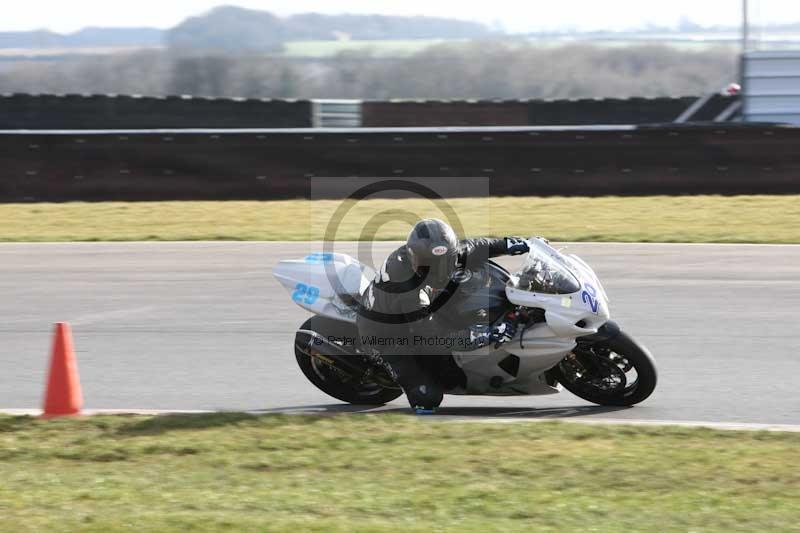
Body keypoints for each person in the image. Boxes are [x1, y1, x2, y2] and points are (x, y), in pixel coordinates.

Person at [356, 218, 530, 414]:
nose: (439, 268)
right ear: (414, 258)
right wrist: (485, 335)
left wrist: (517, 243)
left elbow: (476, 246)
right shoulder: (407, 288)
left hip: (419, 309)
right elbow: (433, 337)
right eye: (429, 265)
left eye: (445, 261)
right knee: (428, 399)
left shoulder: (439, 252)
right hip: (385, 335)